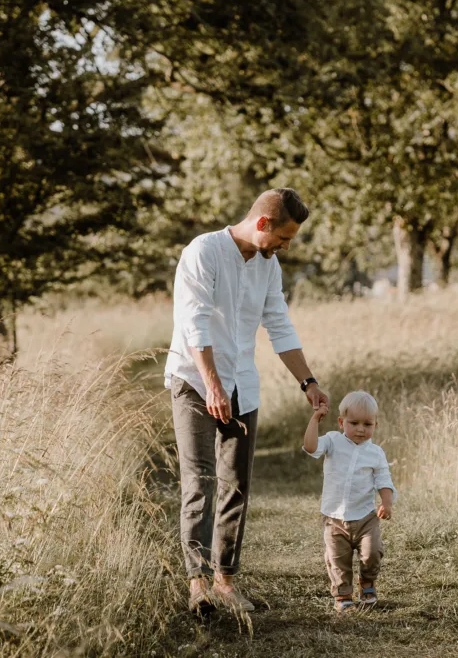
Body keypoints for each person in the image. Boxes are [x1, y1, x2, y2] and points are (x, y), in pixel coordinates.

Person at [165, 188, 330, 614]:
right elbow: (194, 324)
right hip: (194, 381)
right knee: (200, 481)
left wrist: (308, 382)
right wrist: (213, 386)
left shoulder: (267, 266)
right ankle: (197, 584)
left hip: (242, 384)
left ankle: (225, 582)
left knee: (236, 485)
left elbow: (279, 324)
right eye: (283, 237)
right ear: (262, 223)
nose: (285, 247)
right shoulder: (203, 252)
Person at [303, 390, 397, 612]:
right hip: (334, 517)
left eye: (367, 424)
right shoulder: (333, 441)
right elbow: (311, 447)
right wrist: (315, 419)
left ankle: (367, 582)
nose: (361, 429)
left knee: (372, 553)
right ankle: (343, 596)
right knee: (337, 560)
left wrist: (386, 503)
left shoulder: (375, 453)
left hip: (365, 517)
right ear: (341, 422)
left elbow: (384, 479)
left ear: (375, 425)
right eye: (354, 423)